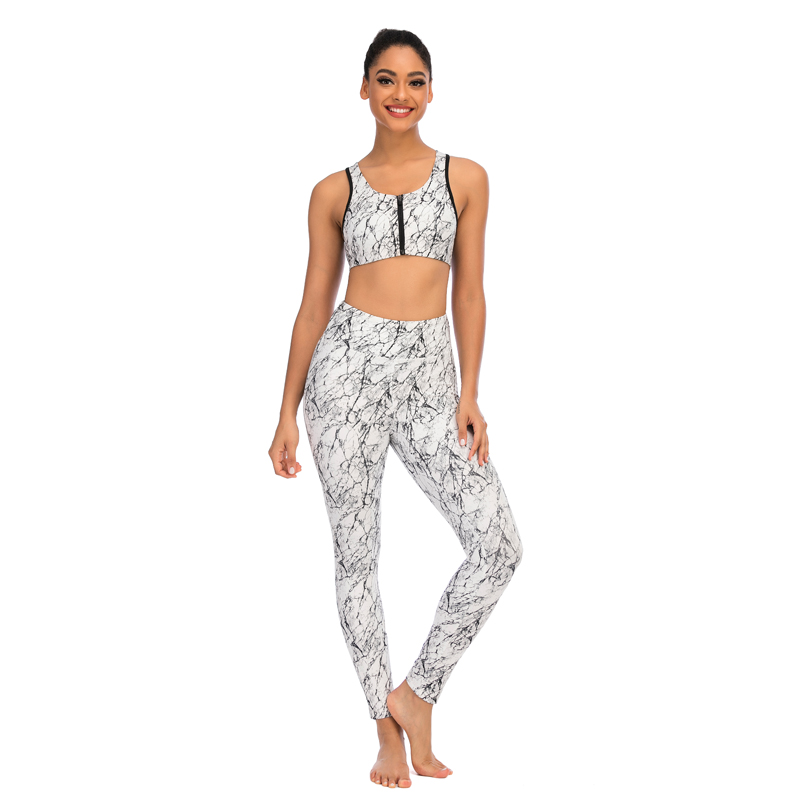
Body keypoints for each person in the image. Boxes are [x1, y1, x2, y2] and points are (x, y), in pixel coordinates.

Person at [269, 28, 524, 790]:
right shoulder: (334, 191)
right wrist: (285, 412)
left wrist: (470, 392)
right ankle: (383, 729)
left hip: (429, 381)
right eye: (386, 79)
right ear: (364, 89)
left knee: (499, 546)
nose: (400, 94)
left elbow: (470, 292)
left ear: (432, 91)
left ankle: (416, 695)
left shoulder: (465, 178)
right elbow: (313, 305)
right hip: (345, 375)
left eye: (415, 81)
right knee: (357, 557)